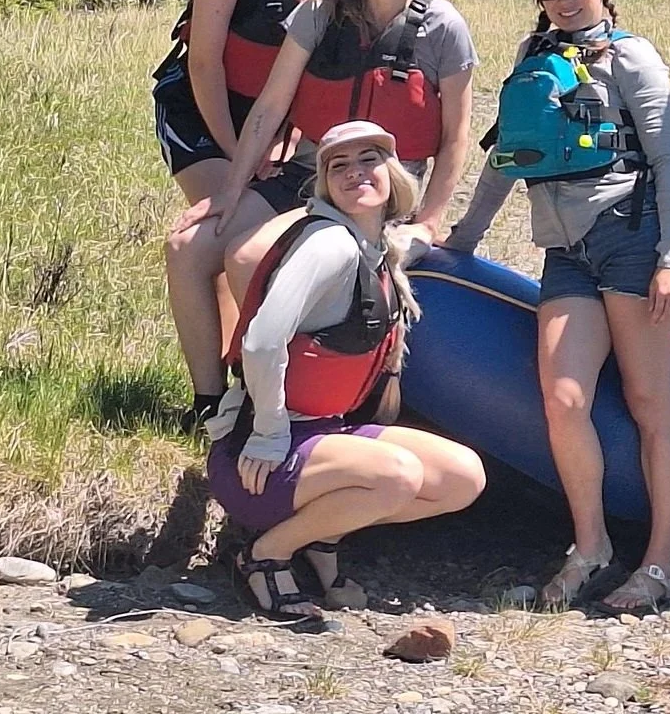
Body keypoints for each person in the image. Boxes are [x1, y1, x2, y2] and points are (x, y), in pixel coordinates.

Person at [445, 0, 670, 613]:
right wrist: (464, 238)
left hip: (633, 237)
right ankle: (591, 546)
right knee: (563, 397)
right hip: (566, 250)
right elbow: (509, 154)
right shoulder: (533, 55)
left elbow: (669, 160)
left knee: (650, 401)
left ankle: (659, 565)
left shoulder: (633, 56)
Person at [205, 120, 487, 619]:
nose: (355, 172)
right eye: (339, 165)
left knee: (462, 478)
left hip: (325, 435)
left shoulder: (375, 245)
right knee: (398, 476)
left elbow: (404, 245)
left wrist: (437, 233)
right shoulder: (329, 244)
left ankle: (322, 533)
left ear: (392, 173)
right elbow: (262, 340)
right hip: (258, 458)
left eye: (368, 160)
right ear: (325, 185)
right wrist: (268, 433)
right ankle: (265, 554)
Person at [177, 0, 476, 343]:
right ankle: (239, 380)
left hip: (386, 191)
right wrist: (232, 188)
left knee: (248, 257)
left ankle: (297, 371)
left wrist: (428, 223)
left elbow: (455, 138)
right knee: (188, 247)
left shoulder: (443, 26)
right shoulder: (322, 9)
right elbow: (270, 106)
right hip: (310, 177)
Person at [155, 0, 359, 425]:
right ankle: (210, 399)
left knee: (240, 243)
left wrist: (289, 136)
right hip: (204, 109)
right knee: (213, 234)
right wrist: (237, 160)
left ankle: (247, 383)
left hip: (274, 118)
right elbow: (204, 61)